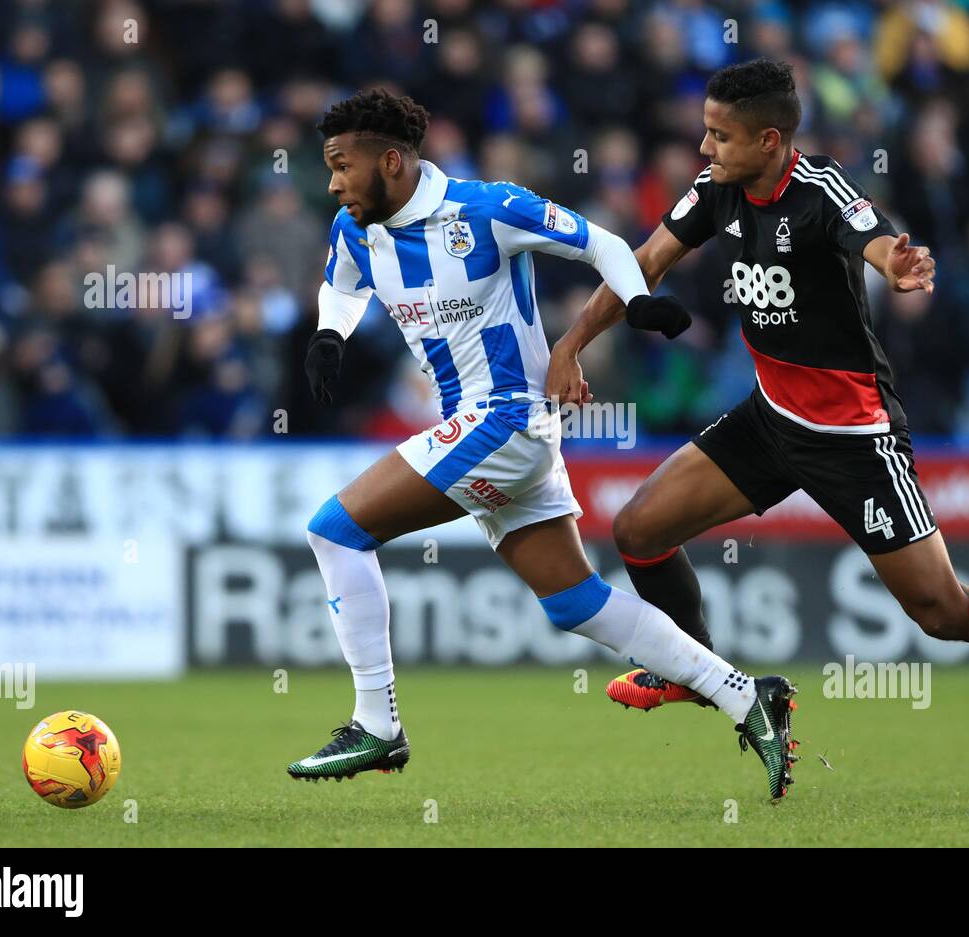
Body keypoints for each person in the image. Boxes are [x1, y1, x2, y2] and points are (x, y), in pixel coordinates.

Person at [547, 59, 969, 761]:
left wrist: (894, 263)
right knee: (640, 528)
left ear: (770, 141)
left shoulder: (820, 189)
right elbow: (648, 261)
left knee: (944, 610)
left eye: (719, 137)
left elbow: (873, 235)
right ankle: (698, 671)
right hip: (771, 418)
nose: (704, 149)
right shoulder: (716, 190)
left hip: (853, 437)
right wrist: (570, 343)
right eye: (704, 133)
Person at [290, 89, 799, 800]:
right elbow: (341, 287)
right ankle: (746, 694)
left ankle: (378, 722)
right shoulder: (357, 229)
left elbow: (603, 244)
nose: (335, 182)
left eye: (343, 166)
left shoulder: (489, 208)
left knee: (335, 530)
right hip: (492, 433)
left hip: (504, 419)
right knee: (573, 601)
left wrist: (639, 300)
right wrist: (328, 334)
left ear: (394, 161)